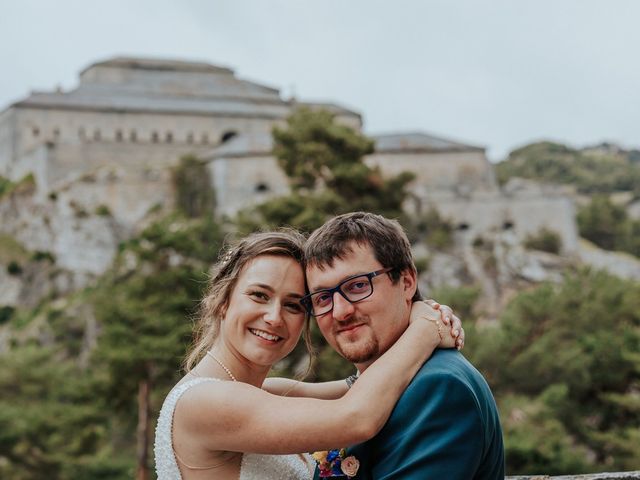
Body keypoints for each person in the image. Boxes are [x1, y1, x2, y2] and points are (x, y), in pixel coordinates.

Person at [154, 229, 464, 479]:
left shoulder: (267, 392)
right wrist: (425, 330)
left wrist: (416, 306)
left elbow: (364, 386)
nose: (274, 318)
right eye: (259, 296)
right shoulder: (204, 403)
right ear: (223, 301)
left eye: (293, 305)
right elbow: (356, 418)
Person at [303, 212, 505, 479]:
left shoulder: (438, 388)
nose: (340, 311)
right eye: (322, 297)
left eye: (358, 286)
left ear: (407, 282)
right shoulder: (367, 385)